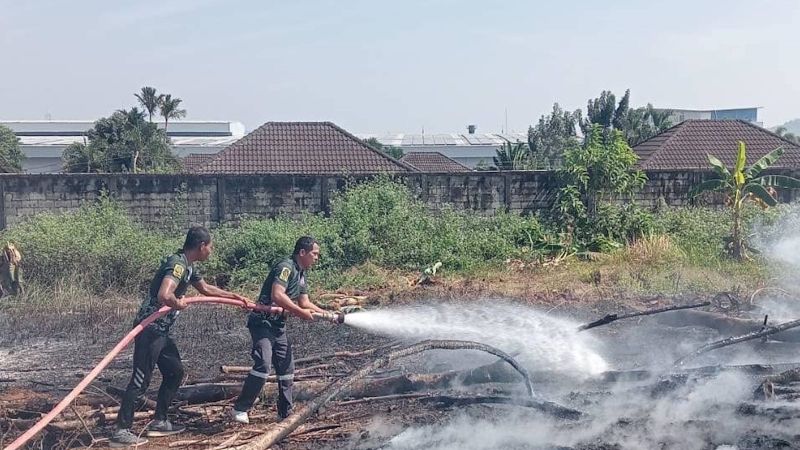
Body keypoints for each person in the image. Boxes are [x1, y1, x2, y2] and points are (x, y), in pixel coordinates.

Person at [110, 226, 250, 448]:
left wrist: (234, 296)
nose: (211, 251)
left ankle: (160, 421)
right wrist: (178, 303)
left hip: (162, 332)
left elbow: (206, 289)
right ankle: (121, 431)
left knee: (175, 373)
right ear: (201, 246)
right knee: (141, 380)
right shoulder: (177, 264)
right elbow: (164, 295)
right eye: (210, 247)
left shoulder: (188, 266)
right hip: (149, 330)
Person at [230, 236, 327, 424]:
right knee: (263, 364)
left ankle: (285, 413)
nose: (317, 258)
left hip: (278, 326)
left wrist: (327, 314)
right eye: (314, 254)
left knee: (286, 368)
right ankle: (240, 408)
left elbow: (305, 302)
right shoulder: (286, 267)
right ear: (302, 252)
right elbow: (278, 294)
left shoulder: (300, 273)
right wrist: (300, 313)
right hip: (263, 324)